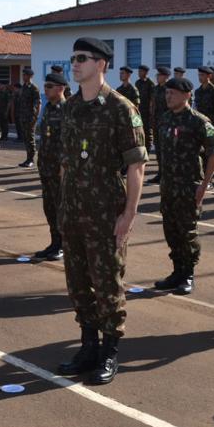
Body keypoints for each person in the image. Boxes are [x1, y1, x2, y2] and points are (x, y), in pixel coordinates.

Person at [56, 37, 147, 385]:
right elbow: (66, 162)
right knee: (78, 284)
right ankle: (88, 346)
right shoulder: (70, 107)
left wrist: (129, 215)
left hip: (106, 215)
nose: (75, 63)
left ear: (102, 64)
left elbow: (136, 167)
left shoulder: (121, 109)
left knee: (108, 285)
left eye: (83, 58)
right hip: (74, 213)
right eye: (73, 58)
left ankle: (109, 352)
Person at [153, 77, 214, 295]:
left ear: (187, 95)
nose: (168, 96)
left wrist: (204, 185)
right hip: (168, 186)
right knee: (171, 231)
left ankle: (188, 274)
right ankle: (177, 272)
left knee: (187, 232)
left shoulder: (199, 121)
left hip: (189, 187)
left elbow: (213, 153)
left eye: (172, 93)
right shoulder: (164, 119)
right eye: (167, 93)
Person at [34, 72, 67, 261]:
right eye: (45, 86)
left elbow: (69, 143)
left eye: (49, 87)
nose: (45, 90)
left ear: (60, 88)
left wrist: (64, 169)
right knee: (50, 208)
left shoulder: (66, 110)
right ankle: (54, 242)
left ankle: (63, 245)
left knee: (61, 209)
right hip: (46, 167)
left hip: (59, 171)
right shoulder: (48, 108)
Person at [193, 66, 214, 188]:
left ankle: (209, 180)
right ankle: (201, 178)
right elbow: (195, 109)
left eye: (202, 75)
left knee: (210, 152)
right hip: (198, 126)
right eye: (199, 75)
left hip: (210, 126)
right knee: (199, 152)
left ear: (209, 76)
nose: (200, 77)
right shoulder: (198, 91)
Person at [146, 66, 171, 184]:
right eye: (157, 75)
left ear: (165, 77)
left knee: (167, 149)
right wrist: (151, 118)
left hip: (167, 123)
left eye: (159, 75)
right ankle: (160, 173)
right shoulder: (155, 89)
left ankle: (167, 174)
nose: (157, 77)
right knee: (159, 150)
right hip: (157, 122)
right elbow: (152, 104)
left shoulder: (169, 89)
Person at [15, 67, 40, 168]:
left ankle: (31, 160)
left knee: (30, 139)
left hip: (30, 118)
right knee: (26, 139)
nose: (23, 76)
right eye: (23, 75)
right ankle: (27, 158)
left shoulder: (34, 88)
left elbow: (38, 103)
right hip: (23, 117)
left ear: (30, 76)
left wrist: (35, 117)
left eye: (25, 75)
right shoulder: (23, 87)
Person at [135, 64, 154, 151]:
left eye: (141, 71)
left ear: (146, 72)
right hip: (138, 112)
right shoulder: (137, 83)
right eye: (138, 71)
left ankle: (148, 150)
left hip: (147, 113)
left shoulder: (150, 84)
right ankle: (140, 149)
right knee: (138, 130)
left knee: (147, 132)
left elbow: (152, 99)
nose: (139, 73)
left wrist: (151, 111)